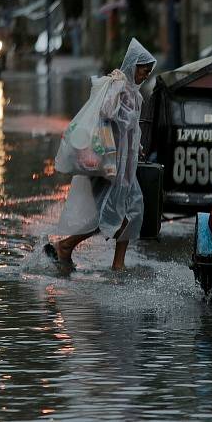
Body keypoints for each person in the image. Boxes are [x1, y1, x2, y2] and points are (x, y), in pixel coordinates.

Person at [44, 38, 156, 271]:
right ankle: (66, 246)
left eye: (148, 73)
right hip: (110, 166)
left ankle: (117, 263)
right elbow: (105, 116)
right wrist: (107, 159)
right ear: (134, 66)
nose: (145, 76)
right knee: (108, 215)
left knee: (132, 210)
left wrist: (138, 148)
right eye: (143, 70)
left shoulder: (136, 96)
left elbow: (131, 129)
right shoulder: (117, 86)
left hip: (126, 167)